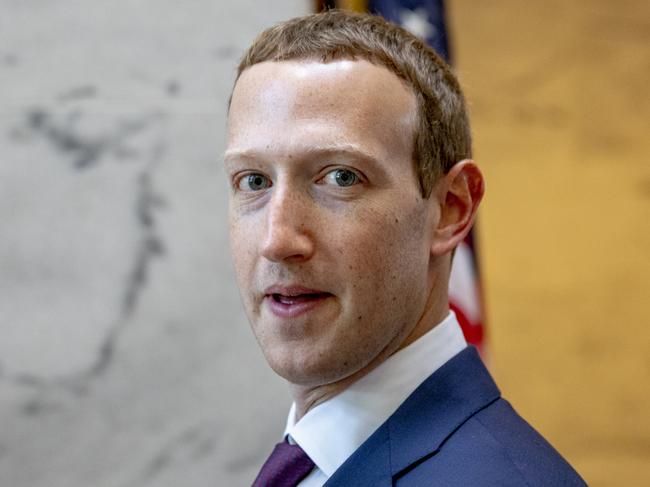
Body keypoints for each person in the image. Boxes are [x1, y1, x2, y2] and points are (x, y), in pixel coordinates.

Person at [224, 10, 586, 487]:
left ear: (451, 209)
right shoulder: (312, 460)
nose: (277, 240)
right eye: (253, 180)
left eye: (341, 177)